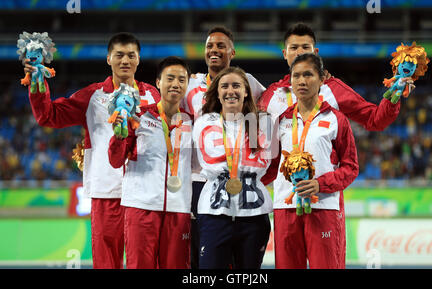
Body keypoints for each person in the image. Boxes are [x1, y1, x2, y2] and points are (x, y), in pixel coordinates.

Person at [24, 32, 160, 269]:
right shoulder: (93, 96)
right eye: (119, 55)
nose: (125, 60)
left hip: (146, 192)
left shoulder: (153, 94)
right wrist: (37, 83)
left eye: (131, 55)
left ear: (139, 59)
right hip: (107, 191)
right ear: (109, 58)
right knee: (107, 262)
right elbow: (49, 115)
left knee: (146, 263)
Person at [182, 26, 266, 269]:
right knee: (202, 258)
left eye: (221, 46)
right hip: (200, 183)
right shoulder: (190, 84)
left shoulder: (248, 82)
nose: (214, 50)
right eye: (210, 46)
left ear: (233, 52)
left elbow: (268, 102)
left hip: (240, 181)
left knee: (239, 258)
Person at [264, 53, 359, 268]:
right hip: (285, 207)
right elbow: (270, 167)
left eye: (308, 74)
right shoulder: (281, 120)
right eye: (296, 76)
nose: (301, 81)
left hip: (323, 207)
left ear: (322, 79)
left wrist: (320, 184)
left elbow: (351, 167)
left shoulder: (336, 119)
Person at [108, 56, 192, 269]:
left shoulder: (193, 122)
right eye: (170, 78)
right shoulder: (138, 118)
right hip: (141, 208)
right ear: (158, 82)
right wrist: (118, 137)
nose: (176, 84)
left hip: (178, 209)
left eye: (182, 80)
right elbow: (115, 160)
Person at [257, 22, 414, 129]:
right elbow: (251, 129)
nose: (299, 52)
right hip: (281, 178)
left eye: (305, 47)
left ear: (315, 52)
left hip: (323, 178)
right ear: (285, 54)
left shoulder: (333, 89)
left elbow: (375, 120)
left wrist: (394, 95)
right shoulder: (273, 93)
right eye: (293, 48)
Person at [192, 66, 272, 269]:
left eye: (236, 86)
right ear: (217, 93)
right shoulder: (202, 123)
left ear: (246, 91)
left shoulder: (262, 123)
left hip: (254, 217)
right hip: (214, 213)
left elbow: (274, 164)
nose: (231, 91)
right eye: (224, 86)